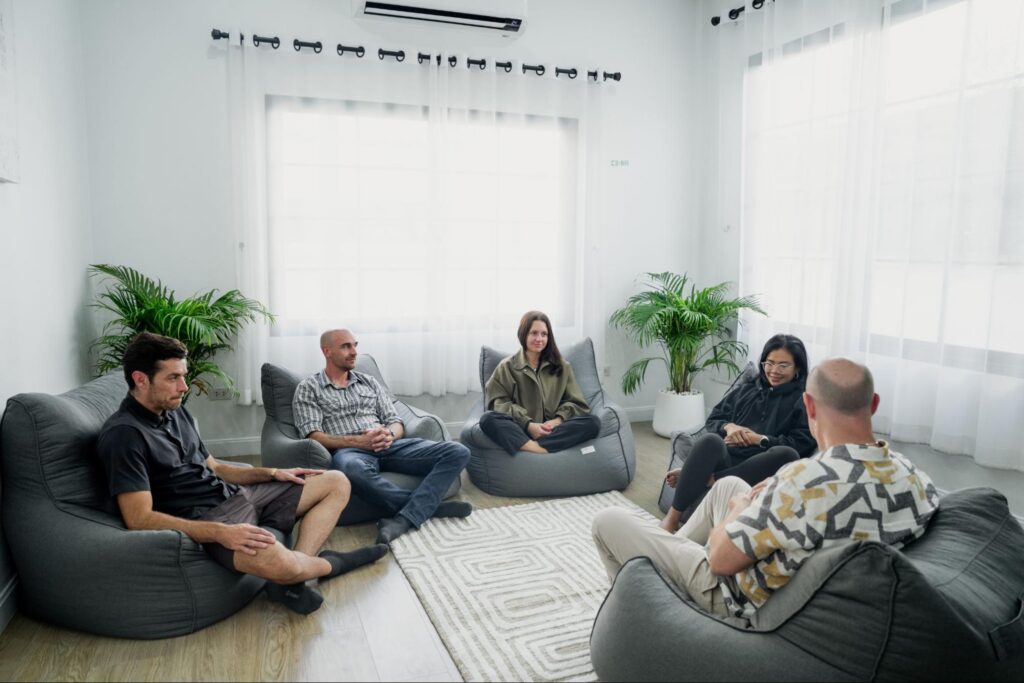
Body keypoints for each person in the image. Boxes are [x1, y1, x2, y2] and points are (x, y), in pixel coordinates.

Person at [592, 358, 938, 620]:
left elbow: (719, 559)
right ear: (874, 404)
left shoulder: (803, 480)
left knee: (608, 521)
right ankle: (670, 553)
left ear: (810, 406)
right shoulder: (911, 475)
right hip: (794, 573)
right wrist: (770, 488)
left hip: (732, 592)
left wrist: (739, 511)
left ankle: (637, 615)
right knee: (729, 483)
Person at [97, 333, 386, 617]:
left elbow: (215, 467)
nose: (184, 386)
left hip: (238, 495)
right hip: (210, 518)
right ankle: (331, 564)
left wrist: (273, 473)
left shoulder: (174, 410)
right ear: (140, 379)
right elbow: (139, 518)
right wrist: (221, 533)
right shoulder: (124, 436)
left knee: (336, 481)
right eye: (173, 378)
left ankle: (298, 575)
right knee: (283, 566)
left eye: (184, 376)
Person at [293, 329, 472, 546]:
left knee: (458, 451)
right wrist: (358, 441)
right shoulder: (309, 388)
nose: (354, 352)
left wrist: (389, 434)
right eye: (346, 346)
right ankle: (428, 508)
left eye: (355, 345)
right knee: (350, 470)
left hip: (390, 445)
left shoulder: (368, 382)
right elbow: (314, 435)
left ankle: (406, 516)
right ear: (327, 351)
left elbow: (395, 421)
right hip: (351, 451)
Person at [660, 334, 817, 532]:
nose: (774, 371)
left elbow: (801, 443)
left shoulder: (803, 400)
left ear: (798, 368)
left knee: (788, 454)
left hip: (759, 467)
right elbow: (713, 420)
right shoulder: (747, 389)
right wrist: (729, 427)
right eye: (770, 363)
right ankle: (672, 518)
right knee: (710, 440)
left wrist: (760, 439)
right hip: (729, 457)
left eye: (783, 366)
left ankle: (706, 477)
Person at [479, 311, 601, 455]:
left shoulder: (562, 366)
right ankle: (539, 448)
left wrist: (556, 421)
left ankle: (534, 447)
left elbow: (576, 403)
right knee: (487, 419)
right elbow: (497, 403)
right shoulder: (506, 367)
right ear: (524, 334)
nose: (539, 339)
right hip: (521, 428)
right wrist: (529, 424)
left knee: (593, 422)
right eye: (534, 333)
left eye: (544, 334)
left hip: (554, 430)